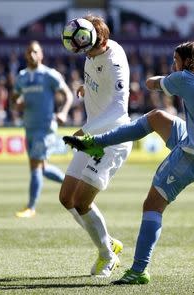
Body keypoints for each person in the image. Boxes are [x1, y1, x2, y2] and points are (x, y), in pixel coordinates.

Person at [63, 40, 194, 284]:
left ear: (185, 62)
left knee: (153, 204)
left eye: (176, 60)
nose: (174, 65)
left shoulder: (183, 78)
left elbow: (151, 83)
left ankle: (139, 270)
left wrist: (165, 79)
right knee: (157, 117)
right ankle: (99, 141)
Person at [58, 15, 133, 277]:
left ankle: (107, 255)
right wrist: (86, 88)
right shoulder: (92, 53)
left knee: (81, 201)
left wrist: (84, 130)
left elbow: (118, 108)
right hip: (93, 137)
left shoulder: (114, 60)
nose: (82, 54)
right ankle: (108, 241)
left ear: (96, 39)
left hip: (112, 138)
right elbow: (101, 87)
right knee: (66, 197)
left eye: (84, 48)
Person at [12, 41, 73, 218]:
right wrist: (17, 103)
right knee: (43, 168)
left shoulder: (49, 75)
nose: (32, 55)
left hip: (45, 128)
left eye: (35, 52)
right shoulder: (22, 77)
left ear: (41, 55)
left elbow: (68, 95)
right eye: (29, 52)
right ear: (26, 55)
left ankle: (31, 207)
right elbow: (14, 98)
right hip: (29, 127)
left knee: (35, 166)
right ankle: (74, 185)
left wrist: (63, 113)